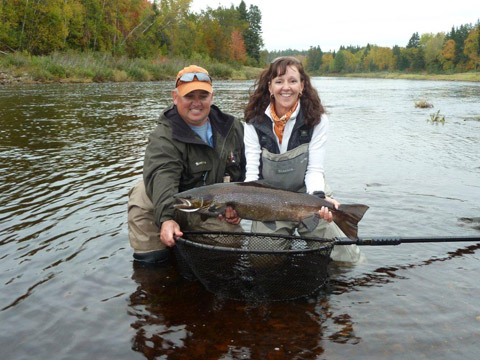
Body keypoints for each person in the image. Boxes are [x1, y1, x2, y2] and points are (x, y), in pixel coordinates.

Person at [243, 56, 362, 262]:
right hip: (270, 201)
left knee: (345, 259)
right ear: (269, 87)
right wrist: (245, 202)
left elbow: (314, 169)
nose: (285, 87)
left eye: (292, 81)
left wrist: (318, 198)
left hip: (308, 193)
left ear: (302, 86)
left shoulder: (317, 119)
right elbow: (252, 173)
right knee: (261, 261)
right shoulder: (253, 122)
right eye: (279, 81)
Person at [128, 65, 245, 264]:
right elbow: (163, 174)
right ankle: (156, 252)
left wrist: (237, 208)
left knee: (232, 241)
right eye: (189, 96)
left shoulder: (232, 127)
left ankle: (191, 241)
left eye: (203, 96)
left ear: (212, 97)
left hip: (207, 208)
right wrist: (166, 218)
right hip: (168, 202)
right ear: (175, 97)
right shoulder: (164, 134)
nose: (196, 103)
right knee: (142, 192)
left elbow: (245, 173)